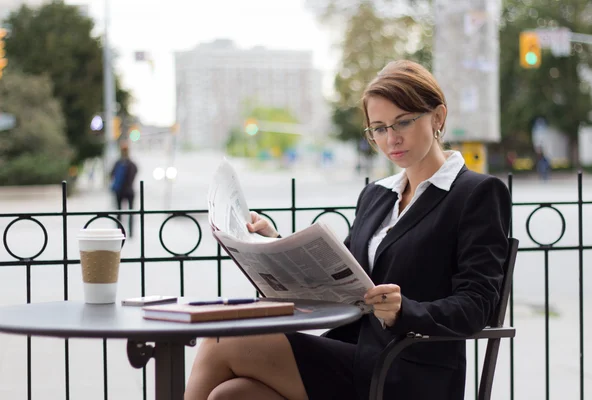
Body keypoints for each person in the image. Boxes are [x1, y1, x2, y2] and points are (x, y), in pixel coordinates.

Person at [184, 60, 511, 400]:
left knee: (223, 338)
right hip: (353, 352)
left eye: (403, 122)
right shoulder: (377, 196)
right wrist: (272, 244)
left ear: (438, 117)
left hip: (409, 369)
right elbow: (337, 275)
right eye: (379, 129)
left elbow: (478, 303)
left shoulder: (475, 194)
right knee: (231, 395)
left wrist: (404, 310)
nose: (391, 138)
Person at [110, 143, 138, 238]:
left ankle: (120, 231)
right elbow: (135, 173)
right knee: (129, 212)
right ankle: (129, 233)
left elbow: (111, 174)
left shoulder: (118, 163)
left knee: (119, 212)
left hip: (120, 191)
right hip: (129, 190)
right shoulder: (131, 164)